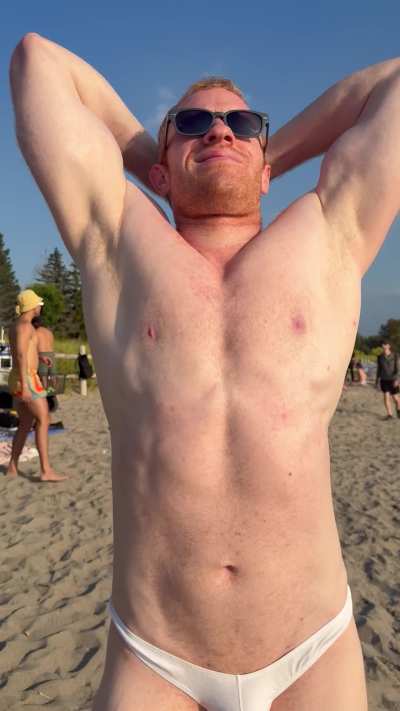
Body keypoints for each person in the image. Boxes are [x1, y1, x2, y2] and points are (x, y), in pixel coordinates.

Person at [9, 34, 400, 711]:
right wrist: (159, 159)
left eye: (242, 123)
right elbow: (35, 62)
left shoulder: (330, 232)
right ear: (159, 170)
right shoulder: (118, 242)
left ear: (266, 164)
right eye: (192, 122)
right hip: (155, 653)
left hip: (311, 647)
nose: (220, 130)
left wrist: (260, 154)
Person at [6, 289, 66, 482]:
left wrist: (40, 361)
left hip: (19, 377)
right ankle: (45, 470)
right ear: (32, 306)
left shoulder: (16, 325)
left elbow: (24, 352)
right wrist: (25, 385)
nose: (41, 306)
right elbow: (21, 355)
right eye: (39, 304)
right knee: (44, 418)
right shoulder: (26, 327)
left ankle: (13, 466)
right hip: (27, 378)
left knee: (25, 423)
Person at [375, 341, 400, 419]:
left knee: (396, 398)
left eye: (385, 344)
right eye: (382, 344)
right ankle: (390, 414)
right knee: (386, 396)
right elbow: (379, 370)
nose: (383, 345)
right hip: (384, 379)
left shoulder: (395, 356)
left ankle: (398, 410)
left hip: (393, 380)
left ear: (389, 346)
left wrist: (397, 379)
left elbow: (398, 369)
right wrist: (377, 381)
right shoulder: (379, 357)